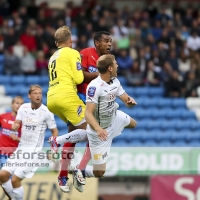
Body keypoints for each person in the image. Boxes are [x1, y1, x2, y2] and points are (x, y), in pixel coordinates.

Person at [47, 25, 88, 193]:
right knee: (93, 130)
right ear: (71, 41)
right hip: (67, 97)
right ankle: (58, 141)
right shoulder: (72, 52)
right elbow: (79, 78)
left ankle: (63, 175)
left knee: (74, 135)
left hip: (52, 99)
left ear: (57, 43)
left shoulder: (52, 57)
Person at [0, 85, 58, 200]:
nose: (38, 96)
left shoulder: (46, 112)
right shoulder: (23, 108)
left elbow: (55, 132)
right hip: (20, 150)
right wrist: (15, 126)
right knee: (2, 175)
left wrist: (53, 150)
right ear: (29, 96)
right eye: (35, 93)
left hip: (33, 153)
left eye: (40, 93)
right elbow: (17, 122)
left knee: (15, 180)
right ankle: (14, 198)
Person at [85, 54, 137, 177]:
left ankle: (112, 134)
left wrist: (130, 102)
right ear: (110, 68)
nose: (117, 65)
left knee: (133, 124)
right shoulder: (95, 86)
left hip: (114, 118)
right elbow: (87, 114)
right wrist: (98, 129)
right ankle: (79, 170)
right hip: (100, 131)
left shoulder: (115, 81)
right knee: (99, 172)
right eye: (115, 64)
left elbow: (126, 99)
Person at [0, 96, 24, 199]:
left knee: (6, 179)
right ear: (12, 104)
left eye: (21, 104)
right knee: (3, 180)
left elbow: (29, 141)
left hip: (12, 156)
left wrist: (17, 138)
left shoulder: (24, 122)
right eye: (17, 103)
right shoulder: (3, 117)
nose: (19, 106)